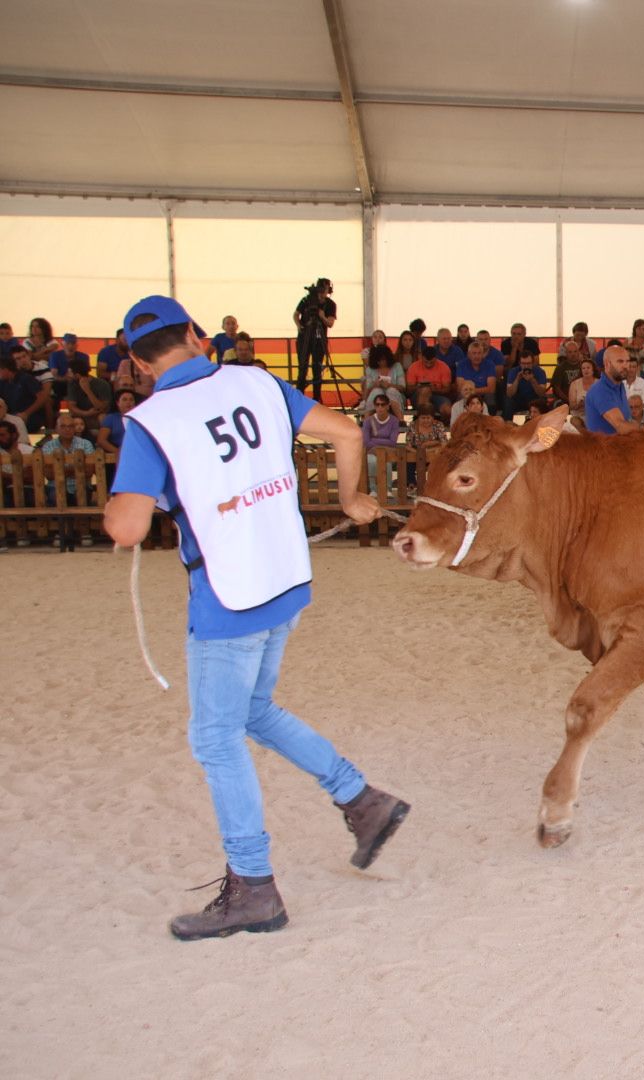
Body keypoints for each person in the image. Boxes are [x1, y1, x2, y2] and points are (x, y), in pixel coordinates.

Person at [103, 295, 409, 940]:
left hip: (229, 596)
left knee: (216, 738)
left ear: (136, 361)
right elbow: (348, 431)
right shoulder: (257, 380)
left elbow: (127, 527)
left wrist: (151, 495)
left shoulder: (151, 420)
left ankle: (254, 888)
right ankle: (362, 800)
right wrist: (351, 497)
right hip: (285, 578)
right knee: (253, 711)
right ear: (194, 334)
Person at [41, 412, 95, 550]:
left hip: (81, 485)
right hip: (55, 486)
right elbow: (49, 474)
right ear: (57, 429)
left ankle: (84, 532)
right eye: (63, 426)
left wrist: (61, 471)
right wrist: (76, 469)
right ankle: (61, 532)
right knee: (56, 496)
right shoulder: (48, 446)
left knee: (82, 495)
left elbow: (89, 472)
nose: (67, 429)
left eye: (70, 426)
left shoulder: (86, 444)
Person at [292, 278, 336, 400]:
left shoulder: (331, 304)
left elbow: (330, 323)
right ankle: (299, 397)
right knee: (302, 367)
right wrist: (299, 325)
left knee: (317, 368)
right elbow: (295, 314)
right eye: (320, 288)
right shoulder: (306, 300)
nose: (322, 292)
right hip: (304, 337)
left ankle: (317, 398)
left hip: (319, 339)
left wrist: (322, 316)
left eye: (325, 289)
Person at [584, 345, 637, 435]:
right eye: (620, 361)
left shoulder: (620, 384)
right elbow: (621, 427)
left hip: (618, 444)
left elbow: (626, 419)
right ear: (607, 364)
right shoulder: (600, 390)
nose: (626, 366)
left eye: (627, 361)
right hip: (602, 447)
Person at [0, 348, 51, 434]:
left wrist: (26, 413)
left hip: (30, 417)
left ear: (5, 369)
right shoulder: (2, 382)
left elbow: (43, 398)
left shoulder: (26, 379)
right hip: (10, 416)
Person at [361, 394, 401, 495]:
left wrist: (376, 444)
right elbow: (366, 441)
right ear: (374, 406)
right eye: (377, 404)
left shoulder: (394, 421)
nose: (380, 407)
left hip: (388, 452)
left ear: (388, 406)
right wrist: (383, 444)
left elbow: (393, 442)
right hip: (371, 451)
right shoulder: (368, 421)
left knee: (387, 463)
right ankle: (373, 489)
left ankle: (388, 489)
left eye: (383, 405)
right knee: (371, 461)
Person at [505, 348, 549, 420]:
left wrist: (533, 380)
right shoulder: (513, 371)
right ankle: (508, 425)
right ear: (519, 363)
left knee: (542, 401)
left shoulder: (539, 372)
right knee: (509, 401)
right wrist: (517, 380)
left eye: (528, 363)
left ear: (532, 363)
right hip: (518, 399)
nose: (526, 366)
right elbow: (509, 393)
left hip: (534, 399)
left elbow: (542, 393)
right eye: (523, 364)